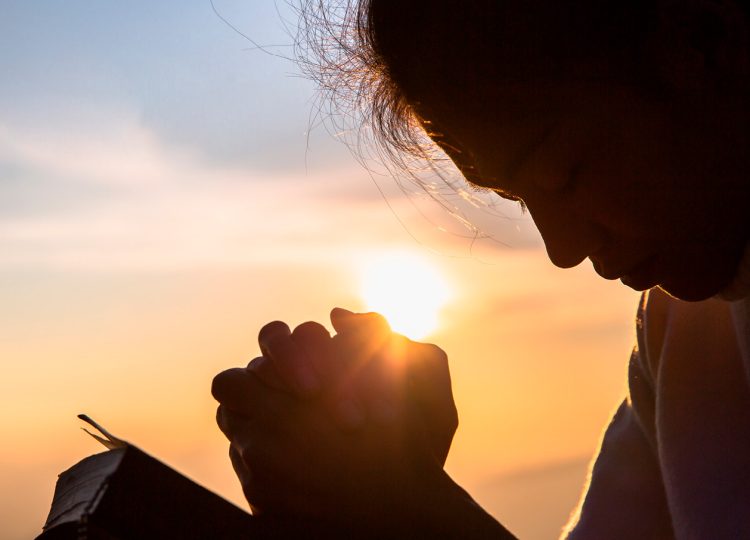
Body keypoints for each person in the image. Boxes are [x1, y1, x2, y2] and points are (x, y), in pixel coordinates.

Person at [211, 1, 750, 537]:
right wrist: (377, 475)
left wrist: (409, 509)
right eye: (519, 199)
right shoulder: (683, 335)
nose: (562, 250)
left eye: (564, 173)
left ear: (704, 42)